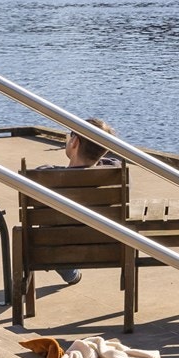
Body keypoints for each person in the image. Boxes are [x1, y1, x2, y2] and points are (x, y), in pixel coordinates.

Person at [42, 117, 120, 286]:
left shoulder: (45, 176)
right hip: (105, 245)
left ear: (75, 142)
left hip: (57, 248)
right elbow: (113, 162)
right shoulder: (114, 174)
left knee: (45, 226)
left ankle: (69, 272)